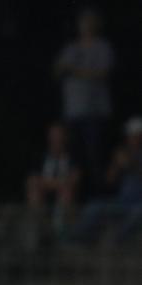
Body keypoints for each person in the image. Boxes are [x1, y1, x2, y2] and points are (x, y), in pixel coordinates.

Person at [54, 8, 114, 191]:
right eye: (83, 21)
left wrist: (74, 70)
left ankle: (99, 195)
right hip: (72, 110)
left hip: (94, 111)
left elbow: (103, 72)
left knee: (94, 156)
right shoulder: (71, 48)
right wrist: (65, 67)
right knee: (73, 158)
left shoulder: (102, 47)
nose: (85, 25)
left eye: (89, 21)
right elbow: (57, 70)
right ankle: (75, 197)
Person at [74, 116, 142, 242]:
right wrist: (116, 164)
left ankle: (116, 240)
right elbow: (109, 180)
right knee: (94, 206)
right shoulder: (123, 153)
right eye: (130, 136)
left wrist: (131, 165)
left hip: (138, 204)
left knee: (139, 213)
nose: (132, 139)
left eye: (135, 136)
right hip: (122, 202)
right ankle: (77, 239)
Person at [26, 123, 81, 241]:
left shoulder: (72, 158)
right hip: (44, 193)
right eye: (53, 135)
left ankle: (58, 232)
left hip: (63, 195)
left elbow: (74, 180)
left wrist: (51, 184)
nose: (56, 138)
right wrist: (57, 184)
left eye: (59, 135)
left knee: (66, 193)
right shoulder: (40, 157)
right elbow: (33, 180)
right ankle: (38, 229)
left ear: (64, 137)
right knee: (34, 191)